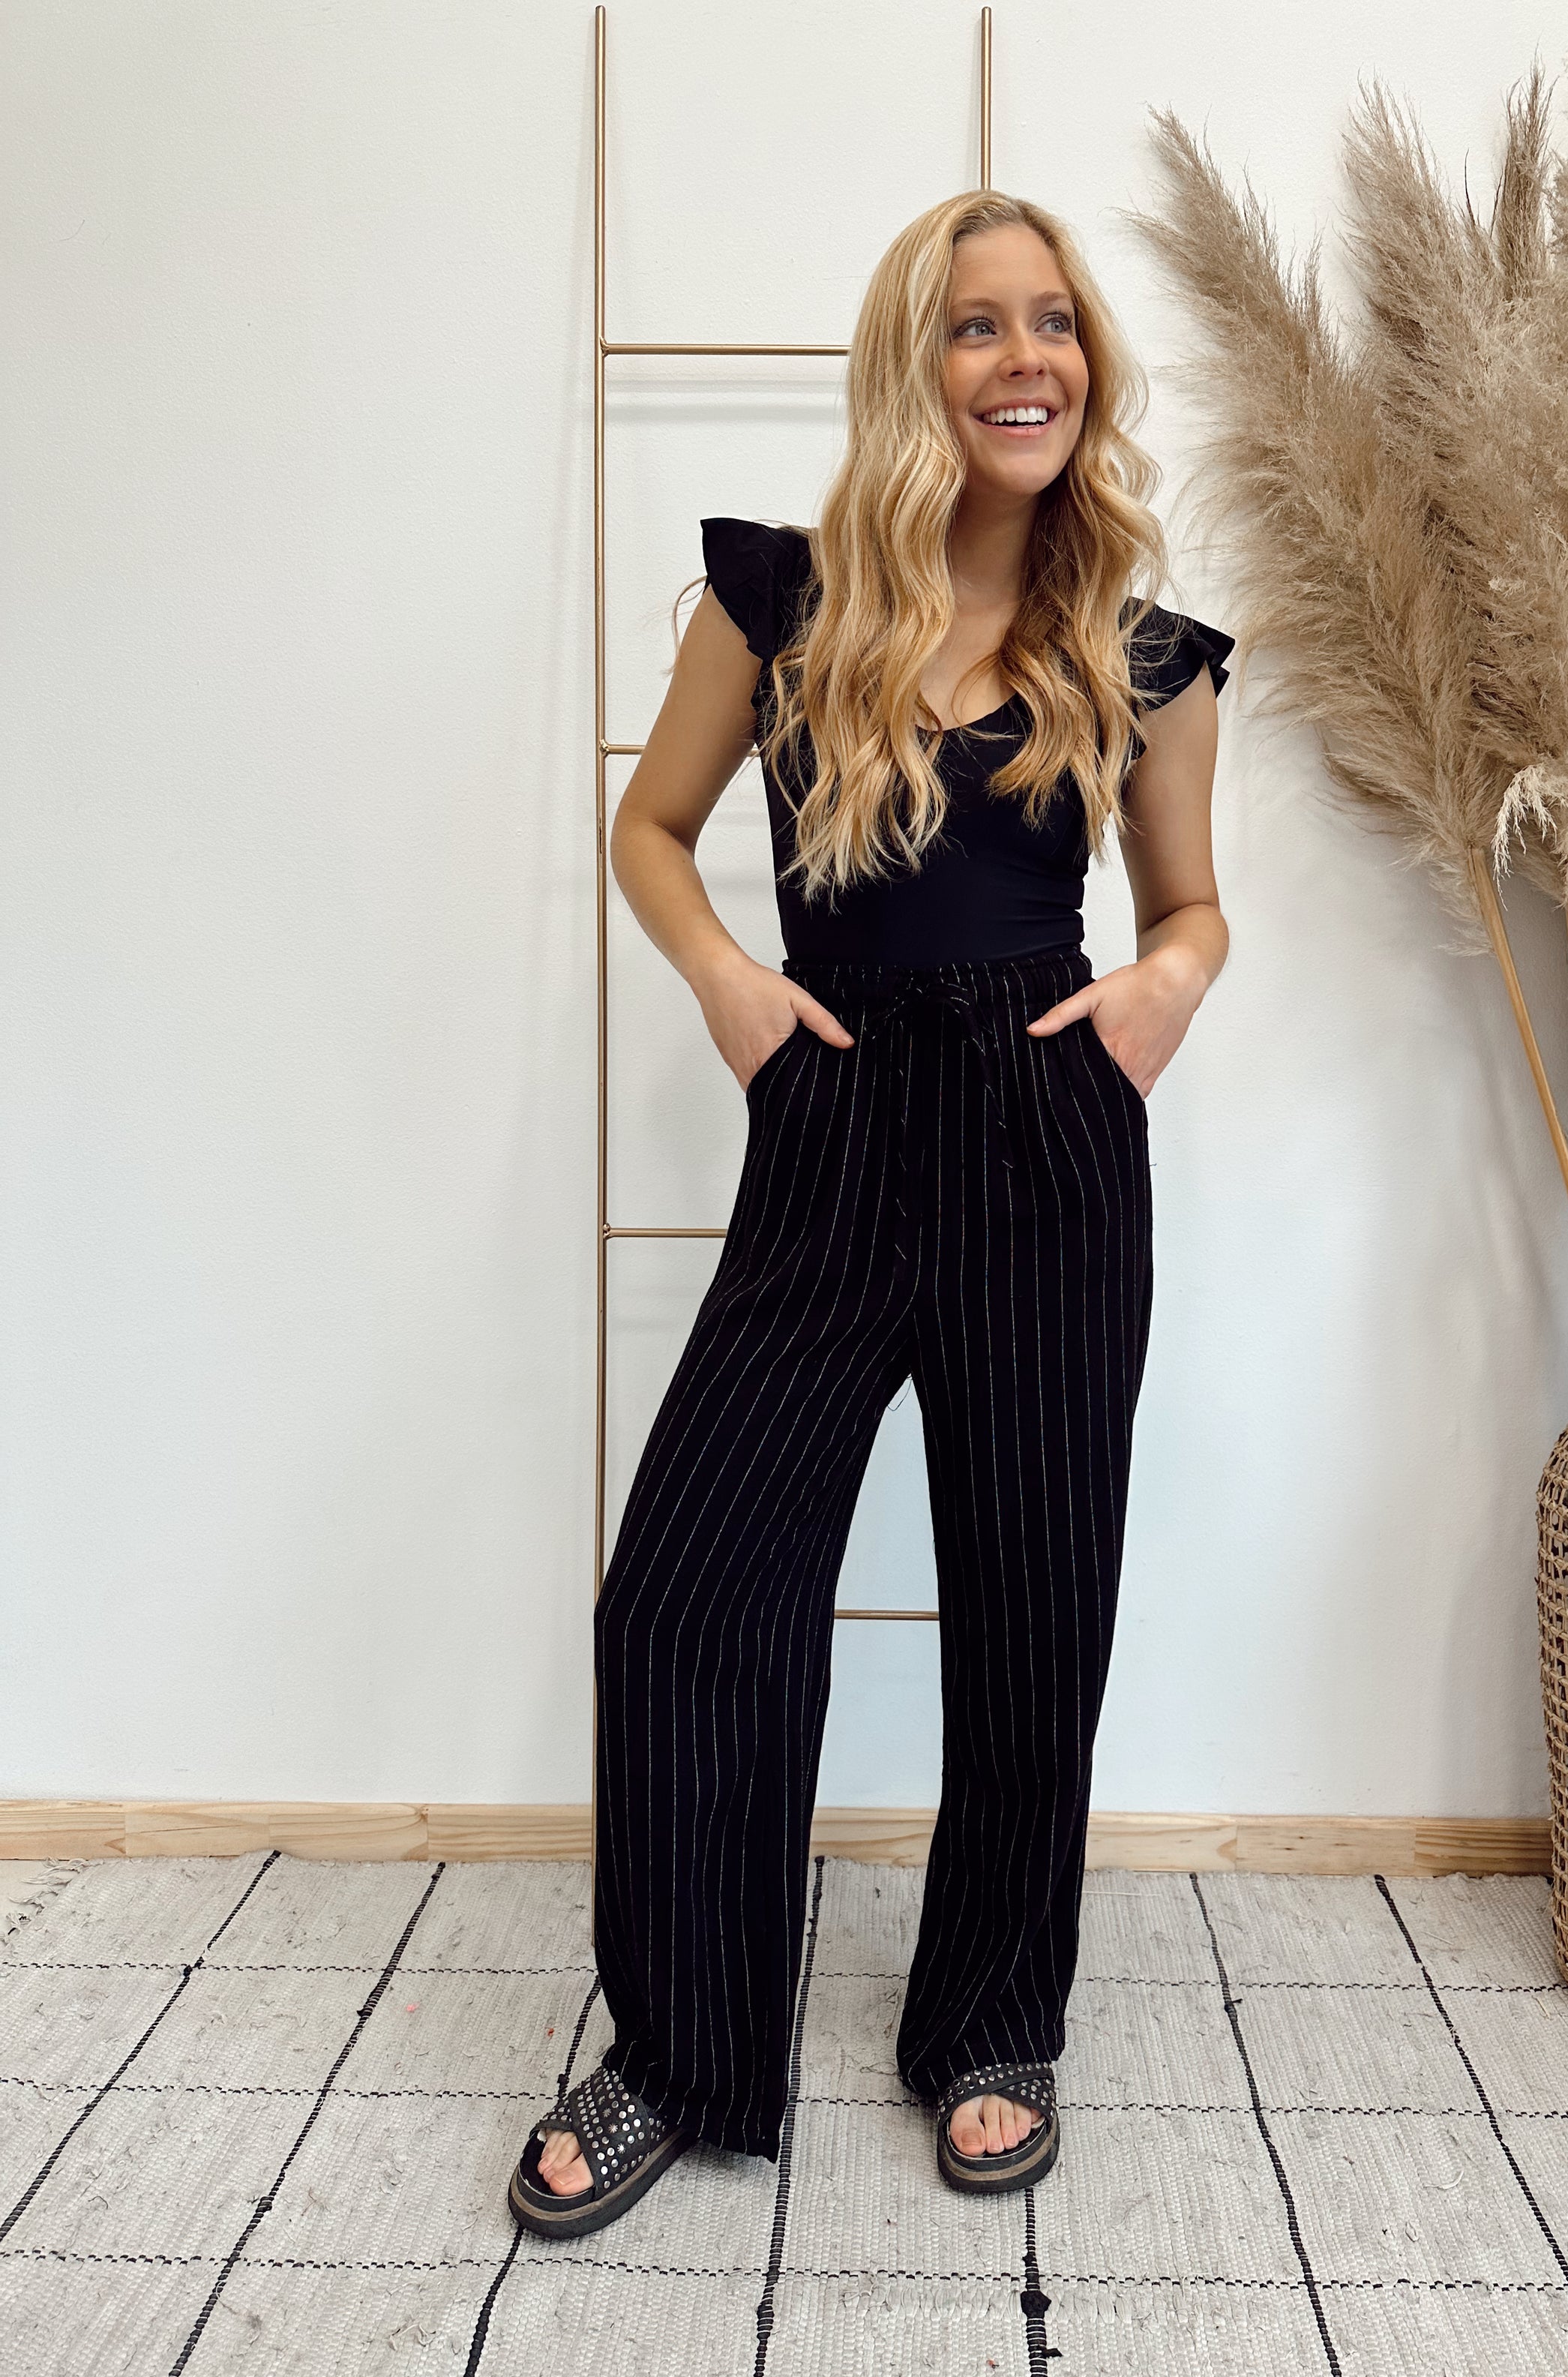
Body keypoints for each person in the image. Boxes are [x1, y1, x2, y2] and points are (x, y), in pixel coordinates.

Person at [507, 188, 1233, 2238]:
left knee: (1033, 1607)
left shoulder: (1143, 653)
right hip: (828, 1122)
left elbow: (1193, 905)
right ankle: (678, 2055)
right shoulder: (776, 604)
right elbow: (652, 829)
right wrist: (733, 993)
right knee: (685, 1598)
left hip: (1047, 1131)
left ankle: (993, 2023)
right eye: (977, 324)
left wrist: (1161, 996)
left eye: (1054, 322)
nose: (1026, 359)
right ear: (913, 365)